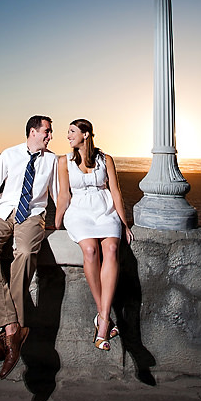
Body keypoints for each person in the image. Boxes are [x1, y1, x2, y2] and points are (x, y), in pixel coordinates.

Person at [0, 115, 58, 379]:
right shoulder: (9, 155)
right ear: (33, 131)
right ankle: (13, 328)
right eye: (47, 131)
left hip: (32, 216)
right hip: (2, 213)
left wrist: (66, 223)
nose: (50, 136)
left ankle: (7, 331)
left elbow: (56, 194)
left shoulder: (52, 160)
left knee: (26, 254)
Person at [55, 119, 133, 351]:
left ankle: (102, 321)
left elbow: (116, 193)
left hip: (104, 210)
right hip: (79, 212)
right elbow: (63, 197)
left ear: (86, 134)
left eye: (72, 132)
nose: (68, 136)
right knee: (90, 250)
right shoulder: (64, 161)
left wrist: (125, 224)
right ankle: (105, 318)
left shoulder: (105, 159)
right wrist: (56, 224)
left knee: (110, 249)